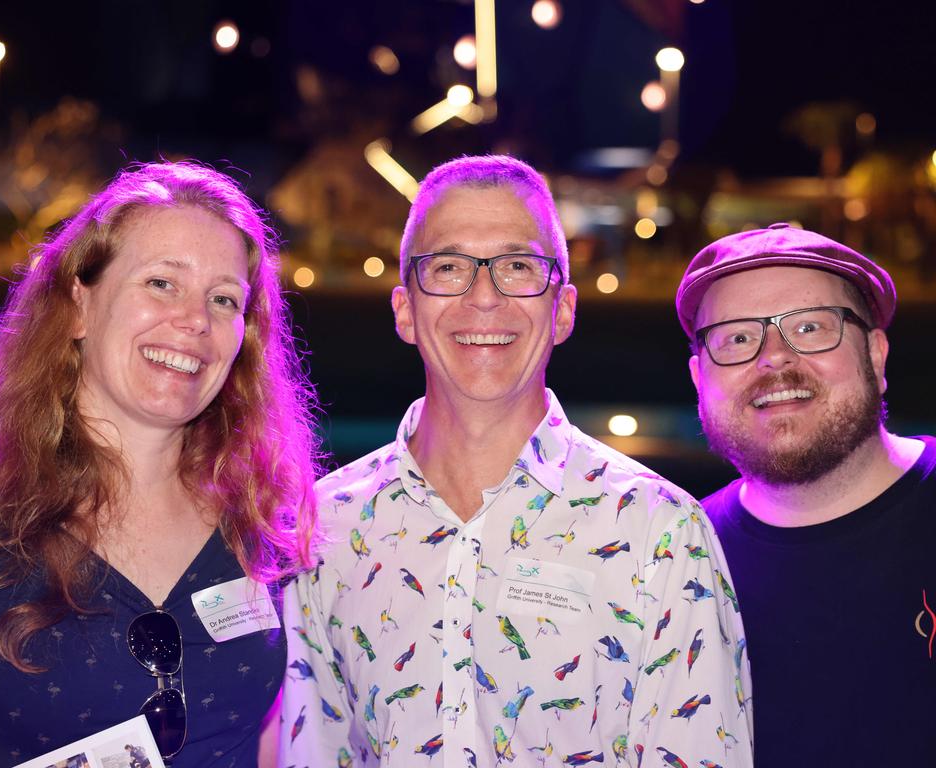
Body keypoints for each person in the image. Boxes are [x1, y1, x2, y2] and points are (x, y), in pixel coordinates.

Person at [281, 155, 752, 767]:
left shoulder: (659, 531)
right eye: (447, 267)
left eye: (517, 267)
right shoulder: (325, 527)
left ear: (563, 309)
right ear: (404, 310)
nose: (484, 297)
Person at [0, 162, 320, 767]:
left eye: (224, 299)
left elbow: (260, 743)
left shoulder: (262, 524)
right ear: (78, 304)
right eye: (161, 283)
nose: (195, 320)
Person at [676, 222, 935, 764]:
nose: (774, 358)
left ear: (877, 355)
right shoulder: (678, 561)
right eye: (738, 338)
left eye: (810, 327)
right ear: (700, 379)